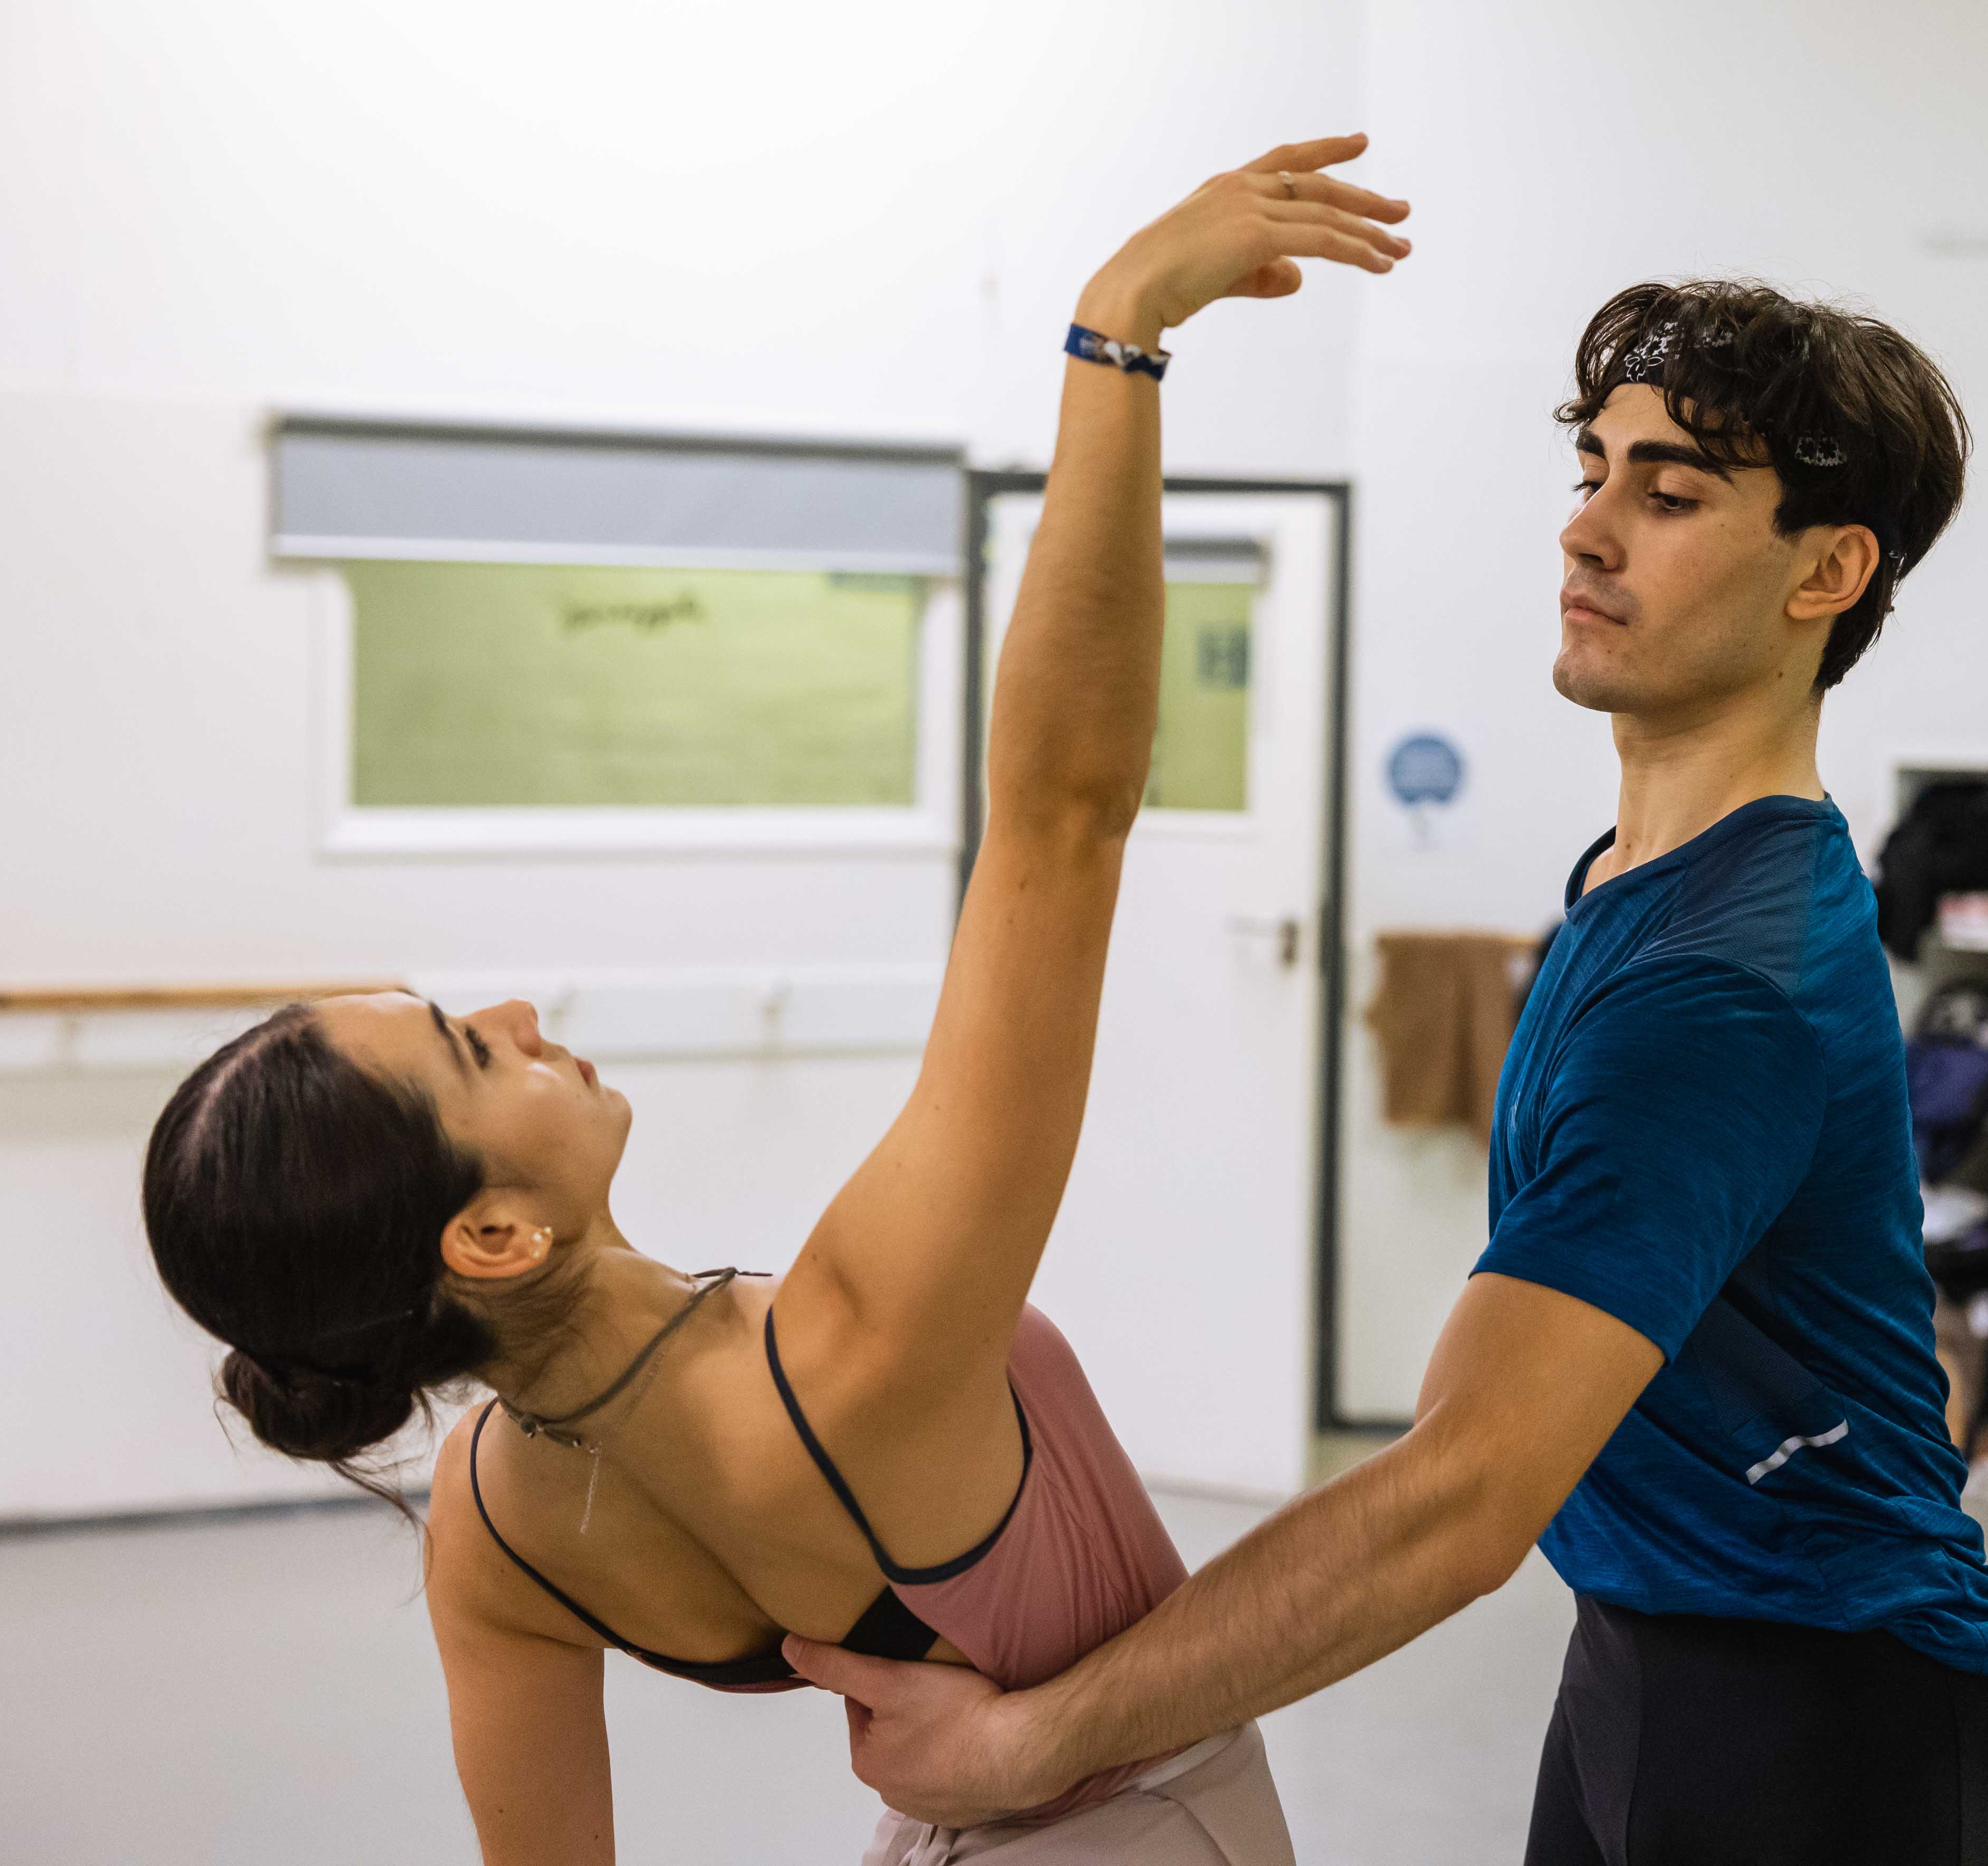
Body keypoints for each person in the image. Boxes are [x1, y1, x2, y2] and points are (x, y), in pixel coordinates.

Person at [139, 135, 1410, 1866]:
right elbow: (1060, 817)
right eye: (465, 1048)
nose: (515, 1011)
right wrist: (1119, 333)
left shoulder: (494, 1527)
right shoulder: (857, 1352)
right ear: (491, 1237)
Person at [791, 281, 1988, 1864]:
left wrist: (1031, 1742)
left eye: (1668, 495)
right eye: (1592, 473)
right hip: (1643, 1663)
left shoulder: (1718, 993)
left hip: (1831, 1732)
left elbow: (1462, 1496)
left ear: (1831, 569)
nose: (1588, 531)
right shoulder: (1639, 876)